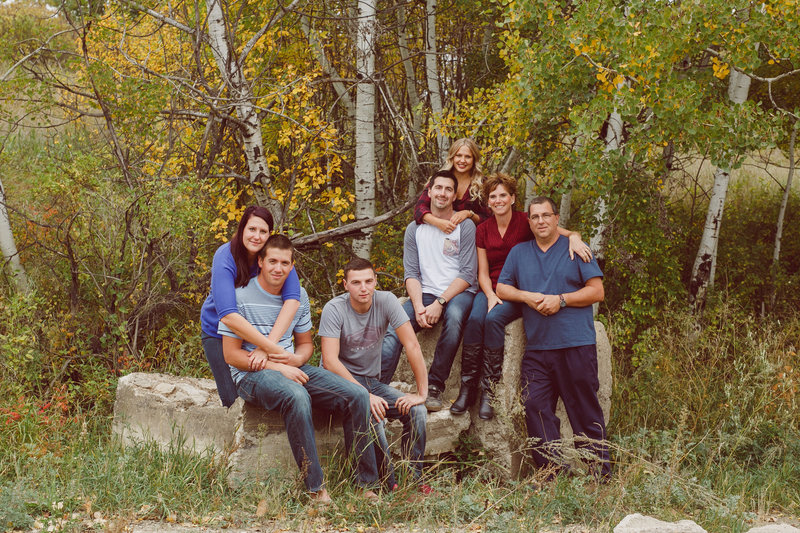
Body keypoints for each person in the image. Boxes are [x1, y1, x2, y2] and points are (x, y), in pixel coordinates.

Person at [219, 235, 380, 502]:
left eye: (284, 263)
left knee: (358, 394)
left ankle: (366, 485)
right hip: (250, 374)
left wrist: (294, 360)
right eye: (272, 261)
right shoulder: (240, 295)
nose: (278, 268)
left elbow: (305, 346)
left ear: (292, 266)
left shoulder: (298, 296)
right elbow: (231, 355)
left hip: (290, 367)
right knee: (297, 395)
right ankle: (316, 490)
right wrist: (278, 367)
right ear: (260, 261)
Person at [451, 174, 592, 420]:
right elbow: (482, 273)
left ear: (513, 198)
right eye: (493, 196)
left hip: (522, 289)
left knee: (493, 320)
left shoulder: (526, 221)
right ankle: (467, 386)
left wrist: (576, 236)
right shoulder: (483, 229)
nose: (498, 200)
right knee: (475, 319)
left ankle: (489, 391)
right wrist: (490, 295)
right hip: (493, 288)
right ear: (488, 201)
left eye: (503, 195)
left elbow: (562, 231)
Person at [496, 197, 610, 479]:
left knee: (583, 410)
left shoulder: (577, 250)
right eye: (535, 217)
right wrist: (527, 296)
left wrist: (561, 300)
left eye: (546, 215)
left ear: (557, 219)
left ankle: (601, 475)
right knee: (534, 406)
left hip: (575, 345)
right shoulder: (520, 253)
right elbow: (502, 288)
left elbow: (596, 292)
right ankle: (553, 472)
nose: (541, 221)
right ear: (529, 222)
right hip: (538, 349)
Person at [319, 258, 429, 491]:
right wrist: (362, 394)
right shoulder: (334, 308)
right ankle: (390, 484)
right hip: (337, 382)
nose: (364, 288)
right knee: (373, 416)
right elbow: (329, 361)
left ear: (375, 281)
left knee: (417, 411)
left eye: (369, 281)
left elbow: (412, 345)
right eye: (356, 282)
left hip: (370, 381)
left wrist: (422, 393)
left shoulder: (386, 300)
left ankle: (413, 481)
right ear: (345, 284)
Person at [380, 170, 478, 412]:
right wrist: (417, 306)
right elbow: (411, 273)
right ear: (430, 191)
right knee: (396, 326)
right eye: (438, 188)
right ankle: (377, 387)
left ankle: (435, 387)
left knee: (454, 320)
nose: (442, 193)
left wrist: (440, 303)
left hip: (458, 293)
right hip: (425, 293)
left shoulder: (464, 226)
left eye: (448, 189)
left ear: (455, 195)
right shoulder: (414, 229)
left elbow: (467, 274)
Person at [200, 206, 301, 407]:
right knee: (233, 399)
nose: (257, 236)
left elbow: (293, 300)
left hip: (257, 333)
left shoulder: (274, 257)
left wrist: (266, 348)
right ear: (241, 230)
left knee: (263, 388)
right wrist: (272, 348)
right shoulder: (225, 256)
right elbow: (228, 315)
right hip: (218, 331)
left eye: (263, 231)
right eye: (252, 229)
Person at [414, 138, 490, 234]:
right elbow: (419, 209)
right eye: (458, 155)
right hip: (437, 233)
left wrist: (468, 214)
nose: (462, 160)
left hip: (470, 237)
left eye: (468, 157)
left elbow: (488, 218)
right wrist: (438, 223)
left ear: (474, 159)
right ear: (452, 157)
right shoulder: (440, 178)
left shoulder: (482, 184)